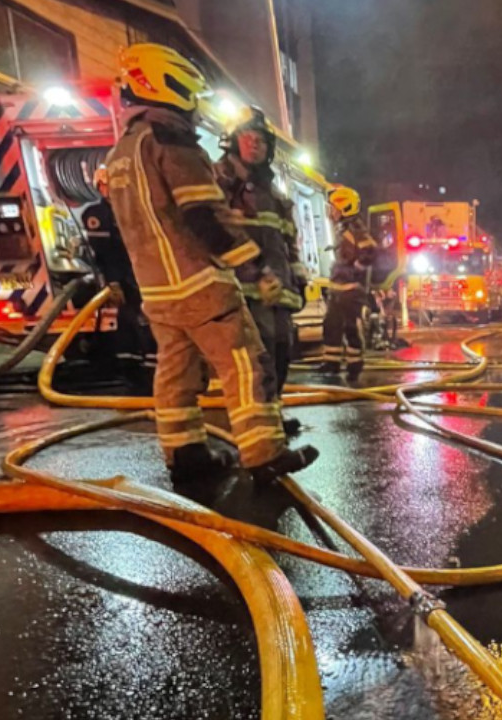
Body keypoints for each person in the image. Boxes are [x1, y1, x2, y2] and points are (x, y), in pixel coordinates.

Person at [103, 43, 318, 483]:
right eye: (189, 92)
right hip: (198, 282)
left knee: (176, 372)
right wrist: (253, 269)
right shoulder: (172, 143)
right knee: (247, 363)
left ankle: (186, 454)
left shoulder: (120, 152)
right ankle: (264, 454)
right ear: (166, 85)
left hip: (157, 290)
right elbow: (205, 216)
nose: (194, 106)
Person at [213, 106, 306, 438]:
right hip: (244, 290)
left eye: (262, 141)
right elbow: (217, 234)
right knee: (256, 358)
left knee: (281, 351)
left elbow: (287, 239)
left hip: (277, 290)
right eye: (248, 138)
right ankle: (257, 424)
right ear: (233, 140)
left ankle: (272, 413)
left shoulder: (272, 193)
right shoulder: (221, 181)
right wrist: (254, 273)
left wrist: (298, 278)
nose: (255, 145)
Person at [82, 166, 156, 388]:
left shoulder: (134, 208)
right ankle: (132, 370)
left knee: (145, 319)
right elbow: (105, 252)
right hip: (121, 276)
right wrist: (113, 282)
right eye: (108, 185)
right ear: (101, 187)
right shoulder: (97, 214)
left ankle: (148, 367)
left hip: (141, 272)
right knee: (129, 319)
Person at [319, 185, 378, 381]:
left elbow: (370, 249)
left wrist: (357, 269)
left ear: (345, 207)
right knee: (331, 325)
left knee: (351, 328)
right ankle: (332, 363)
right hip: (339, 290)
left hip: (351, 290)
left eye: (334, 208)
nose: (331, 212)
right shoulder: (343, 229)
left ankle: (354, 365)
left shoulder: (355, 228)